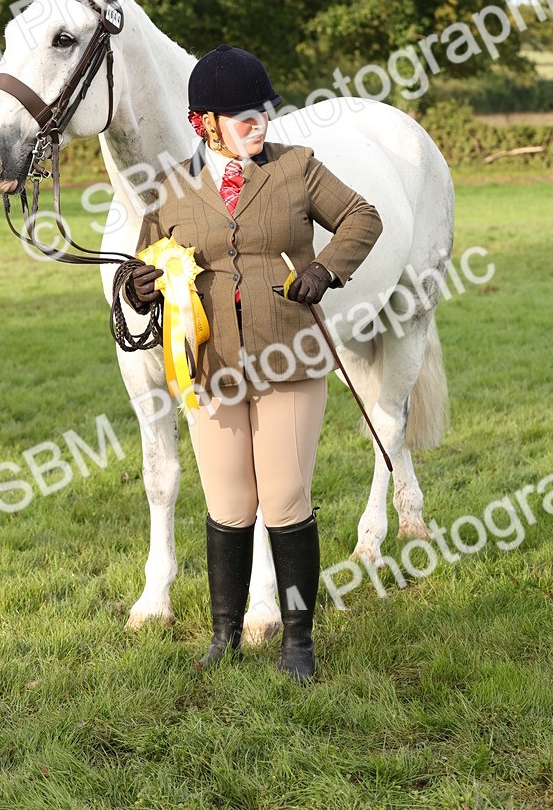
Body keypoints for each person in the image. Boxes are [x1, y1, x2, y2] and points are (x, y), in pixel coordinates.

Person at [123, 44, 383, 682]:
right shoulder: (170, 189)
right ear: (204, 124)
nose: (259, 124)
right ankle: (225, 635)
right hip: (210, 367)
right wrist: (139, 287)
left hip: (289, 359)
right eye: (244, 117)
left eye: (263, 112)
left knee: (286, 499)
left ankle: (298, 640)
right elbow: (142, 264)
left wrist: (326, 269)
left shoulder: (297, 168)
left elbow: (362, 216)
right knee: (230, 504)